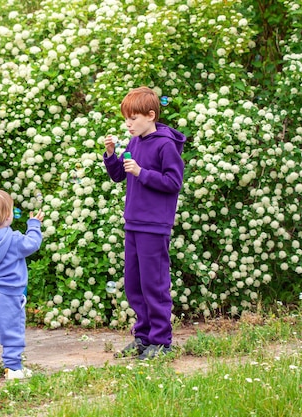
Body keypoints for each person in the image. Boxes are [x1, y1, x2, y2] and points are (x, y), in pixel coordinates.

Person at [103, 86, 186, 360]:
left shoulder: (165, 145)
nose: (128, 123)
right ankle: (143, 337)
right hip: (134, 223)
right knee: (134, 283)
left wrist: (142, 172)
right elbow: (120, 176)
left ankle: (161, 341)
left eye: (133, 118)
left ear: (150, 115)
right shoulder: (134, 142)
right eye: (126, 118)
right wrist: (112, 155)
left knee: (154, 284)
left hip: (155, 225)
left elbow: (173, 183)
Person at [0, 189, 45, 379]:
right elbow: (32, 244)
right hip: (7, 296)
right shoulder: (13, 239)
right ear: (6, 215)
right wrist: (34, 225)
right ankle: (13, 368)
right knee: (12, 331)